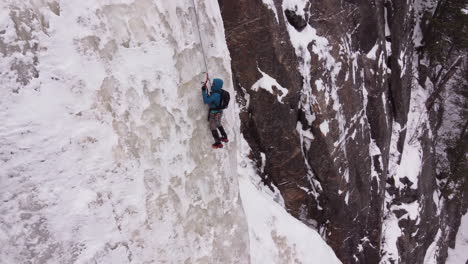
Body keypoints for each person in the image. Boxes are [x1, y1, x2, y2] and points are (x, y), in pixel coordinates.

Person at [201, 78, 228, 149]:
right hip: (220, 112)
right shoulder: (221, 92)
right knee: (218, 124)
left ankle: (218, 143)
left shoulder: (215, 95)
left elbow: (206, 101)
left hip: (214, 113)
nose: (212, 85)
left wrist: (203, 91)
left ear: (217, 85)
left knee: (213, 127)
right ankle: (224, 137)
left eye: (213, 84)